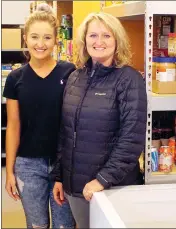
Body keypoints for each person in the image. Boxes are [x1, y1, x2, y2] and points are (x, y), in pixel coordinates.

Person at [52, 12, 147, 228]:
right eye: (93, 35)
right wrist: (59, 176)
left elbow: (132, 138)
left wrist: (103, 179)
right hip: (76, 188)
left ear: (117, 41)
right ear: (84, 40)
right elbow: (65, 132)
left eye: (106, 36)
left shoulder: (129, 80)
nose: (99, 42)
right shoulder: (76, 77)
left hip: (111, 188)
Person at [3, 4, 76, 229]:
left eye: (47, 37)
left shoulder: (69, 71)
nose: (40, 43)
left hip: (63, 164)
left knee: (64, 225)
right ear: (26, 38)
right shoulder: (15, 79)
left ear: (56, 40)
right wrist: (9, 171)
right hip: (28, 165)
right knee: (36, 225)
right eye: (34, 37)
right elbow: (14, 126)